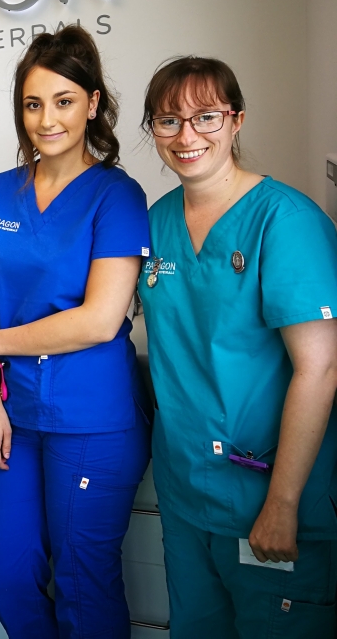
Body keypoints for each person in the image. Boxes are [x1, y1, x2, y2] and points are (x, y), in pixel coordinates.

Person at [137, 57, 337, 638]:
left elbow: (321, 369)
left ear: (237, 120)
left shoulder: (286, 221)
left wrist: (283, 503)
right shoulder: (155, 223)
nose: (187, 136)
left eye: (206, 117)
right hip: (186, 493)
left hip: (267, 497)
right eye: (168, 121)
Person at [0, 26, 151, 638]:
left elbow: (100, 319)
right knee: (4, 572)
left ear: (92, 103)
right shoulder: (3, 190)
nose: (47, 120)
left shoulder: (117, 195)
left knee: (82, 583)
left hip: (91, 417)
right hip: (16, 415)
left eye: (64, 101)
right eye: (33, 104)